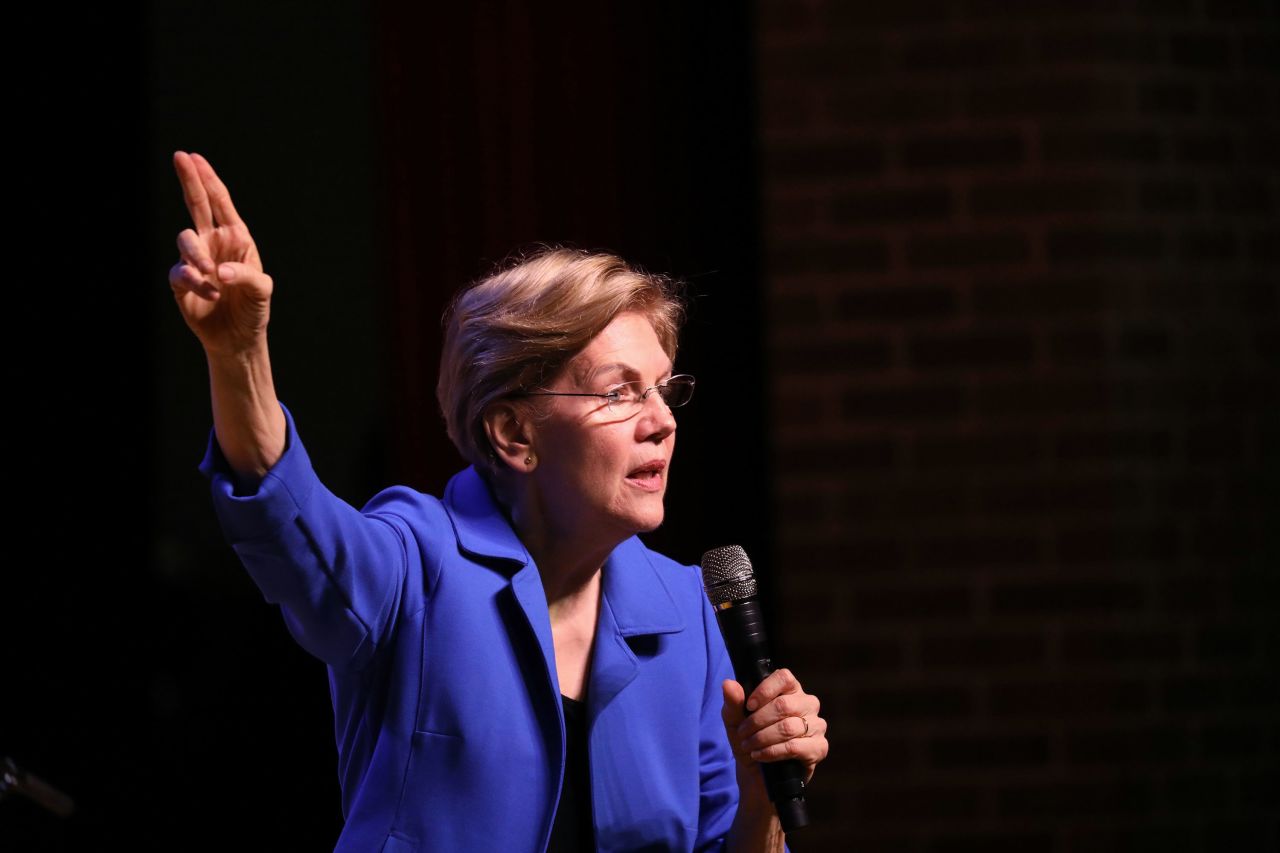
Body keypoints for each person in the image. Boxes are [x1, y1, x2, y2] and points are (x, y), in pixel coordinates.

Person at [168, 150, 828, 852]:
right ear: (514, 432)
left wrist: (762, 804)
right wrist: (240, 355)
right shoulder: (414, 562)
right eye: (618, 392)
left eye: (665, 389)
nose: (661, 419)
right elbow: (297, 536)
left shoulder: (687, 610)